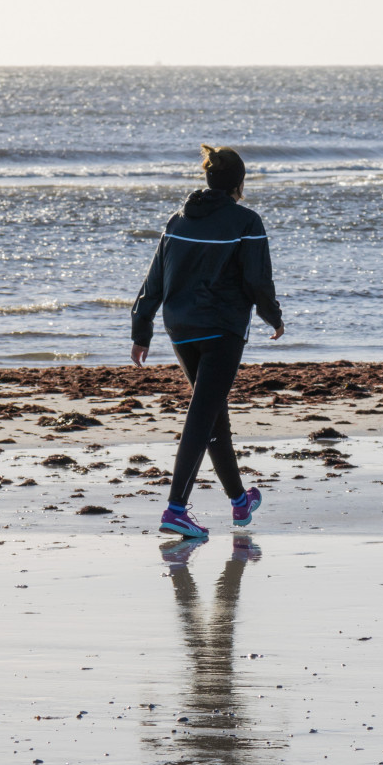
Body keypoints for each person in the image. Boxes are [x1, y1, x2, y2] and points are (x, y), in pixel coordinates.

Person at [131, 145, 284, 539]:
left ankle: (239, 501)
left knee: (213, 415)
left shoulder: (177, 219)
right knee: (202, 416)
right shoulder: (246, 221)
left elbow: (154, 279)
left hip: (180, 329)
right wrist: (273, 316)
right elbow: (257, 280)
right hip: (221, 330)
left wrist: (141, 327)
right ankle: (175, 510)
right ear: (239, 183)